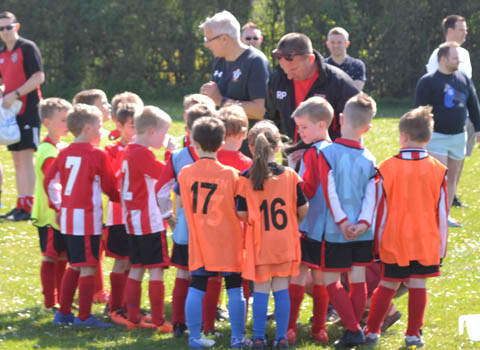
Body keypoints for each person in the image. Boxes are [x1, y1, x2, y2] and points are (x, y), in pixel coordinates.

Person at [364, 106, 448, 349]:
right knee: (418, 285)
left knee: (387, 284)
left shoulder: (387, 168)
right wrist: (440, 247)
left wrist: (377, 243)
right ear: (428, 137)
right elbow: (442, 214)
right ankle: (413, 335)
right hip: (425, 241)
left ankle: (371, 332)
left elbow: (380, 211)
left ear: (403, 136)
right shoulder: (438, 170)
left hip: (394, 240)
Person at [44, 104, 119, 328]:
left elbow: (49, 181)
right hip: (86, 219)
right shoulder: (97, 154)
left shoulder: (64, 152)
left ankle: (64, 313)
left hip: (68, 217)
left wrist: (59, 206)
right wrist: (121, 197)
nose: (101, 131)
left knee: (75, 265)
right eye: (99, 127)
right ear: (87, 128)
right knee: (87, 265)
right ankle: (84, 317)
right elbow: (109, 185)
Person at [236, 120, 308, 349]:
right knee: (281, 289)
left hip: (260, 243)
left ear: (250, 146)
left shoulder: (245, 178)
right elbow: (303, 208)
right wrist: (293, 222)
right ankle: (281, 338)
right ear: (278, 147)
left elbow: (241, 212)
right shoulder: (289, 175)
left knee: (261, 290)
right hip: (285, 241)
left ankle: (258, 338)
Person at [177, 117, 246, 349]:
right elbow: (241, 207)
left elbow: (179, 200)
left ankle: (195, 338)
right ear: (222, 143)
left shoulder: (185, 173)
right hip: (229, 240)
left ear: (194, 142)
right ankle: (237, 338)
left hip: (200, 240)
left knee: (197, 285)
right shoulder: (231, 174)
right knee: (235, 287)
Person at [318, 93, 377, 348]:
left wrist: (342, 222)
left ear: (340, 119)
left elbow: (329, 191)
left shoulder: (327, 153)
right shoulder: (371, 159)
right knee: (358, 279)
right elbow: (372, 196)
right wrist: (362, 223)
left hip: (335, 229)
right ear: (368, 128)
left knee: (331, 280)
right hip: (363, 231)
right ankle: (354, 329)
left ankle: (352, 329)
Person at [155, 102, 216, 338]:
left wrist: (167, 215)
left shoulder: (177, 157)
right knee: (209, 276)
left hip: (184, 227)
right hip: (211, 229)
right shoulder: (217, 160)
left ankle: (179, 323)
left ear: (188, 129)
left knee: (182, 274)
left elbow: (161, 189)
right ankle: (207, 325)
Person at [120, 106, 173, 332]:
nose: (165, 138)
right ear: (151, 132)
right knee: (156, 270)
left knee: (137, 267)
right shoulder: (142, 154)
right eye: (164, 133)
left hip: (132, 220)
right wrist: (171, 153)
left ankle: (133, 318)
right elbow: (166, 174)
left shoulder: (129, 150)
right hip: (149, 221)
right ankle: (160, 321)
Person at [415, 41, 480, 227]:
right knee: (438, 178)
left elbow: (473, 105)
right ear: (443, 59)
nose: (458, 61)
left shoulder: (464, 79)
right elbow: (418, 110)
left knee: (451, 179)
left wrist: (478, 129)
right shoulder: (428, 81)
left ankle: (445, 215)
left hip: (458, 136)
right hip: (436, 137)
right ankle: (430, 215)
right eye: (455, 58)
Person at [202, 104, 252, 336]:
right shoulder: (247, 164)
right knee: (239, 281)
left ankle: (208, 325)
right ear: (243, 134)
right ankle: (239, 328)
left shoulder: (208, 160)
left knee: (211, 279)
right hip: (237, 231)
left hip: (209, 228)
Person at [286, 96, 333, 345]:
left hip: (308, 224)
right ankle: (319, 328)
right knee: (320, 277)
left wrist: (291, 177)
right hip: (329, 226)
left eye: (304, 127)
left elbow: (307, 189)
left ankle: (290, 327)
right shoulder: (333, 149)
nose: (300, 132)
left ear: (322, 124)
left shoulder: (314, 154)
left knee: (298, 273)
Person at [265, 32, 359, 147]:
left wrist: (323, 151)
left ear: (310, 59)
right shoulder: (278, 79)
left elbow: (354, 126)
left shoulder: (339, 83)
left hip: (328, 159)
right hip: (291, 159)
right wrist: (283, 145)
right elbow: (271, 117)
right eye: (285, 70)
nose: (289, 76)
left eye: (294, 69)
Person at [199, 10, 270, 155]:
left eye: (209, 39)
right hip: (222, 147)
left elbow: (260, 110)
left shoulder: (255, 61)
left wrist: (221, 100)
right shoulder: (219, 59)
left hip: (248, 150)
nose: (206, 45)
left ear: (224, 39)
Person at [0, 11, 45, 221]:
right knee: (17, 160)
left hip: (28, 110)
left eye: (9, 27)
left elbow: (38, 77)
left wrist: (16, 93)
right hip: (11, 114)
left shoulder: (27, 48)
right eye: (2, 29)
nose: (6, 32)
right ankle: (20, 204)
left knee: (26, 158)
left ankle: (29, 206)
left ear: (16, 27)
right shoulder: (2, 54)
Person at [426, 15, 471, 208]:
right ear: (450, 31)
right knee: (440, 164)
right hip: (442, 120)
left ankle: (451, 197)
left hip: (463, 115)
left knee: (459, 159)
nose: (465, 33)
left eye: (465, 29)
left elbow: (467, 85)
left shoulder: (465, 54)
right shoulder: (438, 54)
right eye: (461, 29)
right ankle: (437, 199)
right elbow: (435, 85)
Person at [72, 88, 112, 303]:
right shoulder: (95, 142)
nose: (108, 107)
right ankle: (96, 291)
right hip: (94, 205)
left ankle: (97, 289)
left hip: (95, 206)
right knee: (92, 250)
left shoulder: (103, 135)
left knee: (97, 250)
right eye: (103, 102)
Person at [31, 98, 71, 311]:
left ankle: (61, 297)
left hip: (62, 213)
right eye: (64, 120)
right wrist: (59, 208)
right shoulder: (48, 151)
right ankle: (50, 301)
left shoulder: (63, 146)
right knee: (50, 256)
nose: (68, 124)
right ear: (47, 122)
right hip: (50, 215)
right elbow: (53, 185)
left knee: (63, 255)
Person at [104, 103, 137, 327]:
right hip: (118, 216)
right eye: (133, 126)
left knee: (134, 261)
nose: (137, 131)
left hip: (137, 217)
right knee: (121, 260)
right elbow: (110, 182)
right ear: (119, 125)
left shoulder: (143, 149)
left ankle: (127, 304)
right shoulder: (112, 151)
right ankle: (115, 306)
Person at [325, 27, 366, 91]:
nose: (336, 46)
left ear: (347, 44)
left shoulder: (357, 65)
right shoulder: (322, 66)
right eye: (332, 42)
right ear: (327, 44)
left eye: (339, 42)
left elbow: (355, 92)